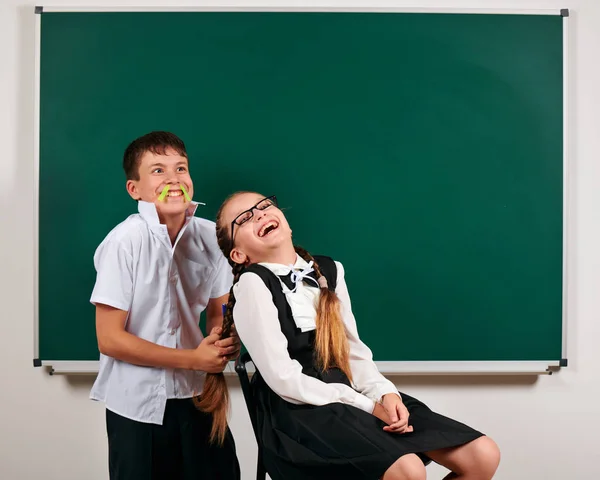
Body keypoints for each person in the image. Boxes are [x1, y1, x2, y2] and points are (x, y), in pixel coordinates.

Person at [201, 191, 500, 480]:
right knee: (409, 470)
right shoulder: (253, 285)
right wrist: (369, 406)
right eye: (244, 218)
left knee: (482, 455)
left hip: (348, 392)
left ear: (286, 221)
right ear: (238, 254)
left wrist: (385, 393)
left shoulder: (330, 271)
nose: (260, 214)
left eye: (264, 205)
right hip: (298, 413)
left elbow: (353, 353)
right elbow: (284, 379)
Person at [89, 131, 241, 480]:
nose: (173, 179)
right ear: (135, 189)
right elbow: (109, 340)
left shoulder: (210, 236)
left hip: (198, 397)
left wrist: (222, 342)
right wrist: (193, 358)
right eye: (158, 170)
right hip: (137, 407)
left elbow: (219, 313)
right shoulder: (124, 243)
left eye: (181, 168)